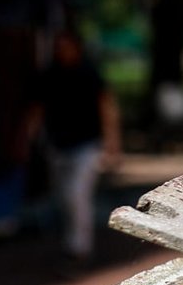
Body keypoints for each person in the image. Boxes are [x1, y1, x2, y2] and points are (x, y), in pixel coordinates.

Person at [36, 30, 120, 262]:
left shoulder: (89, 73)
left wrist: (112, 142)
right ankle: (71, 242)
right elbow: (36, 108)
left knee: (77, 194)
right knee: (64, 197)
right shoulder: (50, 74)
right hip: (58, 145)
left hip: (87, 145)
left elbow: (106, 107)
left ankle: (80, 247)